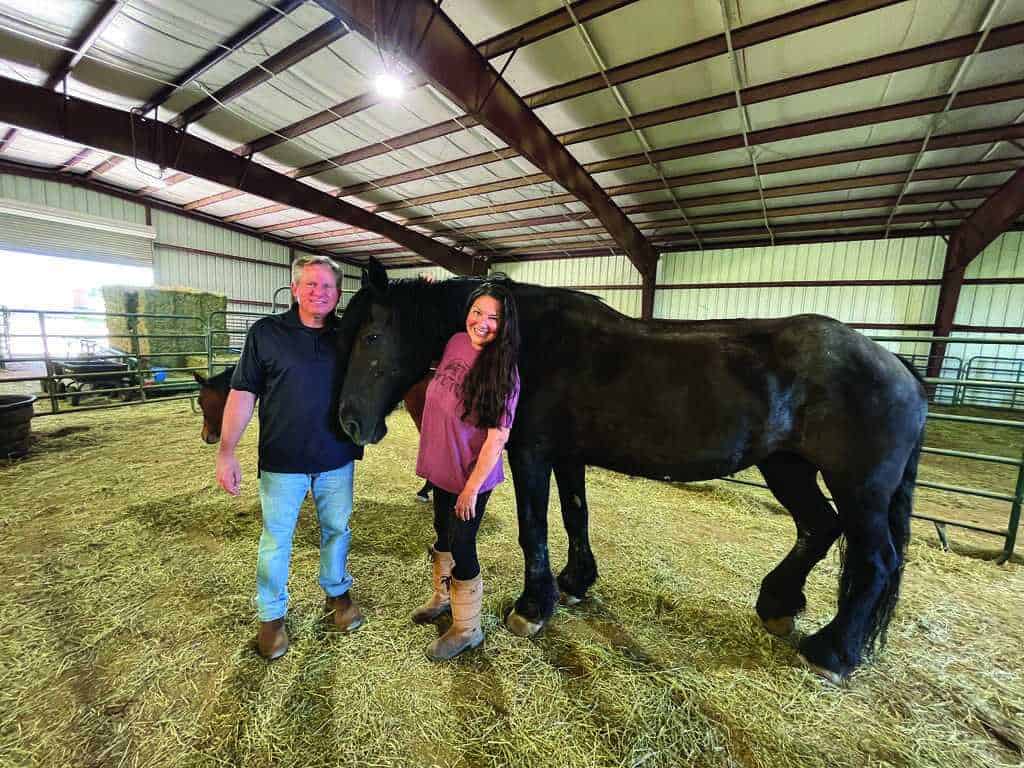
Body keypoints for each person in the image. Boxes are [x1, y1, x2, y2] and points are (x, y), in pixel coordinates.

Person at [215, 255, 364, 661]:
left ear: (338, 294)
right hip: (282, 460)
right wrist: (226, 452)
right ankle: (271, 616)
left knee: (337, 529)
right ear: (295, 288)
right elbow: (243, 393)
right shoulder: (266, 333)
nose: (320, 293)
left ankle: (337, 592)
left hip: (336, 456)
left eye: (329, 287)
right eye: (312, 285)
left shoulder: (348, 334)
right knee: (276, 539)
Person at [412, 278, 520, 661]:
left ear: (505, 325)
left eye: (494, 317)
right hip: (442, 467)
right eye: (478, 312)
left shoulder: (504, 373)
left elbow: (496, 439)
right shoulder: (456, 342)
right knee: (442, 533)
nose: (483, 322)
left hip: (470, 477)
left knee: (463, 542)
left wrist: (472, 488)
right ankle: (442, 599)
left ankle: (467, 629)